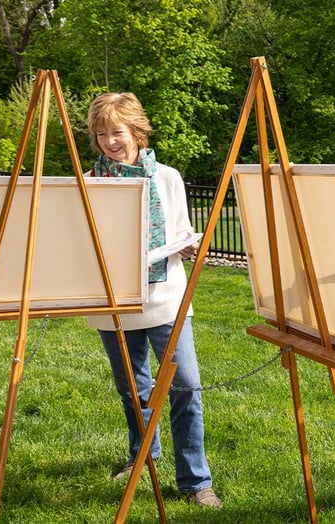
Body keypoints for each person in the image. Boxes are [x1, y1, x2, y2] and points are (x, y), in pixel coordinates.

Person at [84, 92, 222, 509]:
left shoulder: (168, 177)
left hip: (166, 300)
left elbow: (182, 229)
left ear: (137, 132)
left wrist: (186, 246)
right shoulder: (89, 182)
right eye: (102, 134)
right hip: (114, 305)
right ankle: (142, 457)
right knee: (134, 391)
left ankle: (196, 481)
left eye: (117, 132)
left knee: (185, 388)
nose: (110, 141)